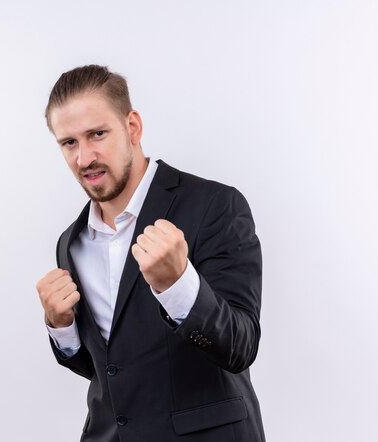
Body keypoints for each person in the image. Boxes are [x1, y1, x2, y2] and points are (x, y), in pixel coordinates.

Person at [36, 64, 265, 442]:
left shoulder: (216, 206)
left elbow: (240, 347)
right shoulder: (70, 242)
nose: (84, 158)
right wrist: (60, 327)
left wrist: (178, 285)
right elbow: (110, 369)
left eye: (97, 134)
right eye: (69, 143)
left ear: (132, 127)